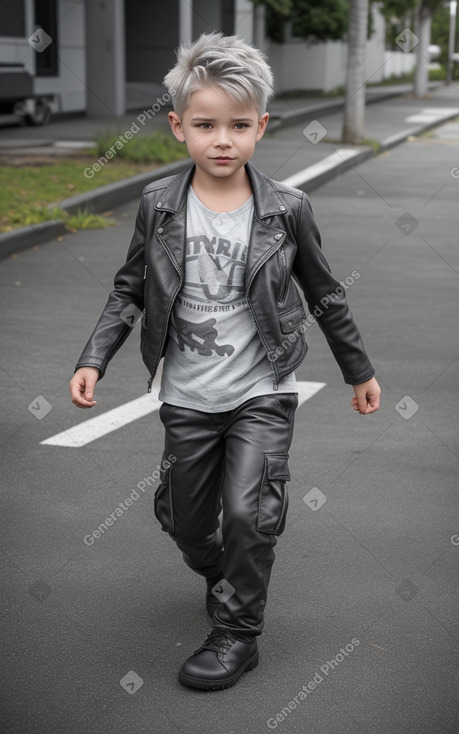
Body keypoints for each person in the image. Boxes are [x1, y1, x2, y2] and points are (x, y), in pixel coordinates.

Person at [70, 32, 381, 691]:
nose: (222, 141)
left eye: (238, 126)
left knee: (249, 512)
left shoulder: (285, 210)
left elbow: (324, 293)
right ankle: (220, 566)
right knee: (187, 522)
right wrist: (94, 356)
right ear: (179, 125)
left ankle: (237, 634)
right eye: (206, 125)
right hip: (185, 393)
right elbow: (130, 289)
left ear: (260, 127)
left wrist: (358, 370)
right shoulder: (158, 206)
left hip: (261, 388)